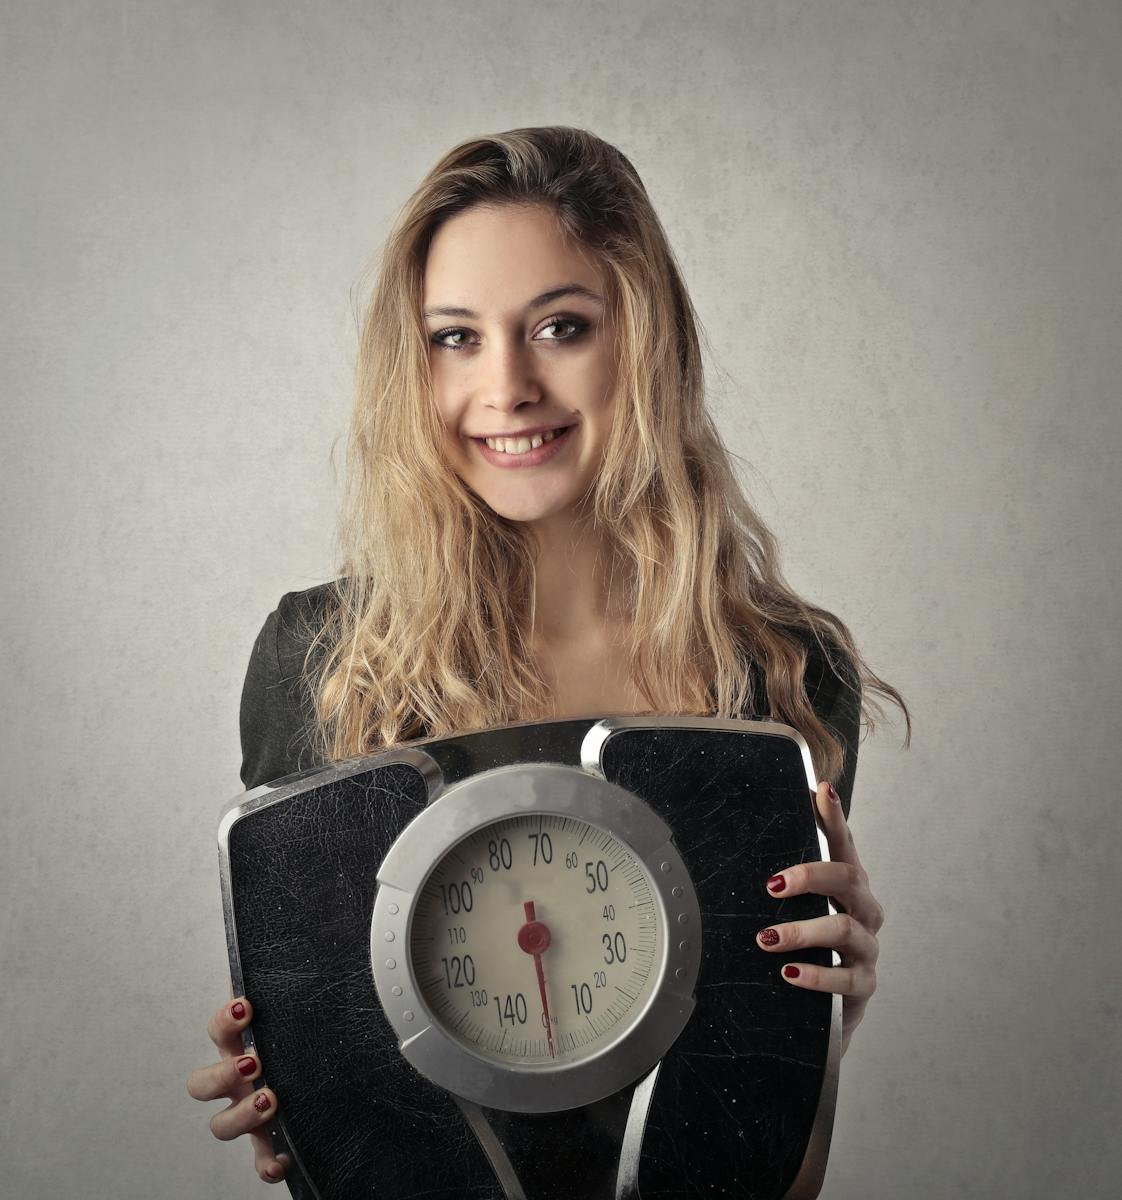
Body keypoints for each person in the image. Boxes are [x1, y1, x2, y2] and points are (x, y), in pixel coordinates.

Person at [186, 126, 910, 1187]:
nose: (508, 385)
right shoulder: (323, 659)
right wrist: (301, 1105)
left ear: (645, 342)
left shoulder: (783, 675)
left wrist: (818, 1042)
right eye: (455, 338)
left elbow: (775, 1179)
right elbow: (344, 1147)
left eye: (560, 326)